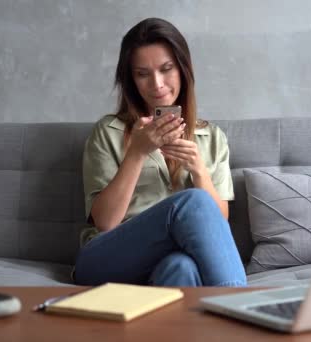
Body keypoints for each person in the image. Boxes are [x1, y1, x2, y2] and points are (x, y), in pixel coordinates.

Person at [74, 18, 246, 287]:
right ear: (131, 80)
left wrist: (199, 169)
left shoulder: (211, 138)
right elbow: (106, 222)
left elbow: (217, 222)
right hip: (106, 259)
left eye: (166, 69)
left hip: (170, 259)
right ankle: (242, 308)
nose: (157, 84)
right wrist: (137, 153)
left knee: (181, 267)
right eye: (143, 74)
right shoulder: (108, 131)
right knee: (193, 203)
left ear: (183, 70)